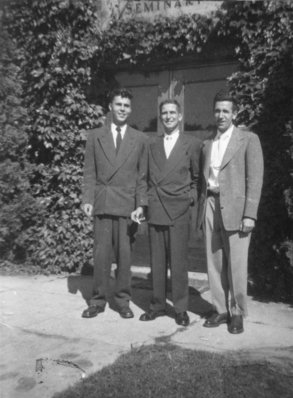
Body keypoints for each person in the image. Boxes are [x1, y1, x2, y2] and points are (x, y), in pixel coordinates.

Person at [197, 89, 264, 334]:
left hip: (237, 210)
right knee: (213, 261)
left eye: (226, 111)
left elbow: (255, 179)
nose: (221, 115)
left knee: (236, 264)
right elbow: (202, 181)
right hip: (211, 205)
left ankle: (237, 313)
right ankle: (220, 309)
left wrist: (250, 213)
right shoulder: (207, 143)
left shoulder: (248, 140)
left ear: (234, 113)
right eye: (217, 110)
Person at [81, 88, 148, 319]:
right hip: (103, 202)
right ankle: (97, 301)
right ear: (110, 106)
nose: (122, 109)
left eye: (126, 106)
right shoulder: (95, 136)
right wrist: (87, 199)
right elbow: (89, 172)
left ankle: (122, 301)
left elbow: (142, 177)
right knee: (101, 256)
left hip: (127, 206)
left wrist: (141, 204)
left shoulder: (140, 139)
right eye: (118, 104)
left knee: (124, 257)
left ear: (130, 109)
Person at [134, 99, 201, 326]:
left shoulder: (192, 143)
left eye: (173, 113)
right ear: (160, 117)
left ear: (180, 116)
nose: (169, 116)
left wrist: (188, 199)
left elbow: (197, 179)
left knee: (179, 262)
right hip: (156, 208)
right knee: (158, 260)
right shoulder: (151, 144)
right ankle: (157, 305)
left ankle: (180, 309)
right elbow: (142, 178)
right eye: (164, 113)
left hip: (179, 210)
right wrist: (143, 204)